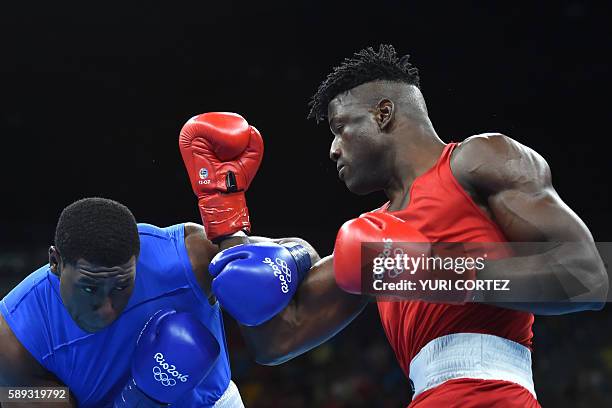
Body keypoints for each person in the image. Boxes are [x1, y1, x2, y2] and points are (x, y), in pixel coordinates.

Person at [208, 45, 608, 407]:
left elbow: (586, 275)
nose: (332, 150)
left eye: (339, 128)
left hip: (497, 396)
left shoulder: (479, 159)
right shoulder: (371, 235)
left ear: (383, 114)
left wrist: (429, 269)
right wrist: (227, 220)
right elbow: (279, 338)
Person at [0, 113, 315, 407]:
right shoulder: (14, 333)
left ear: (139, 258)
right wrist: (136, 399)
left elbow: (303, 251)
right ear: (55, 263)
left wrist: (281, 261)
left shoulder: (185, 259)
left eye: (122, 285)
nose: (108, 307)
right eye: (90, 288)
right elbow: (11, 395)